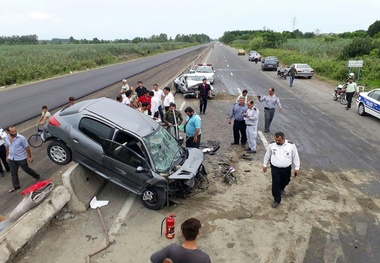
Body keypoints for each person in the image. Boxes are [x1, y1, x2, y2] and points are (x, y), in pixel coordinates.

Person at [262, 132, 300, 208]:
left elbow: (295, 156)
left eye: (279, 140)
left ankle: (281, 188)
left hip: (286, 168)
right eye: (276, 140)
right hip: (275, 168)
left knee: (286, 180)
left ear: (283, 138)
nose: (277, 142)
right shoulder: (272, 145)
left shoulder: (291, 145)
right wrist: (264, 165)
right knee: (275, 183)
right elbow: (267, 155)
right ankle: (277, 199)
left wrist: (297, 168)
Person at [5, 126, 42, 193]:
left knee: (26, 169)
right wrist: (7, 156)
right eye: (12, 131)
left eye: (15, 131)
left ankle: (37, 176)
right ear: (8, 132)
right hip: (11, 158)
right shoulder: (7, 138)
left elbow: (27, 148)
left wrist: (30, 157)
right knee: (13, 173)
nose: (15, 132)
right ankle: (16, 186)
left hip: (21, 158)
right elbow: (7, 147)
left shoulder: (21, 138)